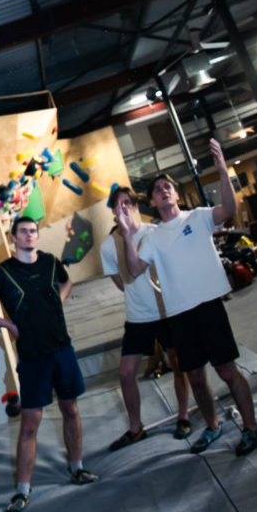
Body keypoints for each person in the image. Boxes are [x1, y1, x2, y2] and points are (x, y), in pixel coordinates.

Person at [0, 216, 98, 512]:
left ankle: (77, 468)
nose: (28, 235)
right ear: (13, 238)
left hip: (62, 349)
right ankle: (22, 490)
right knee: (30, 423)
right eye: (22, 231)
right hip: (33, 357)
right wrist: (7, 325)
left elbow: (66, 282)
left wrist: (59, 302)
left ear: (37, 236)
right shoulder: (2, 273)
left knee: (71, 410)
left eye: (33, 231)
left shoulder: (50, 262)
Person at [134, 140, 257, 456]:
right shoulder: (152, 237)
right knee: (195, 376)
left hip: (209, 307)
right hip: (180, 314)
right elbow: (136, 269)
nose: (164, 191)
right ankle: (213, 426)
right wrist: (125, 231)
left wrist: (222, 171)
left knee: (227, 371)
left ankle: (251, 427)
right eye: (158, 190)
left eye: (168, 186)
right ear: (152, 201)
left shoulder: (198, 217)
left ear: (176, 194)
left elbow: (229, 210)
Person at [102, 185, 194, 449]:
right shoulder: (108, 246)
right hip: (138, 317)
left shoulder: (154, 232)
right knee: (125, 373)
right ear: (113, 211)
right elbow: (120, 283)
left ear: (135, 206)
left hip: (167, 312)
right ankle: (135, 428)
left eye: (128, 202)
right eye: (118, 204)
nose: (124, 208)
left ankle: (183, 415)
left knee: (178, 363)